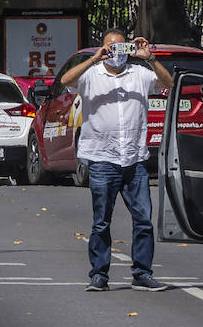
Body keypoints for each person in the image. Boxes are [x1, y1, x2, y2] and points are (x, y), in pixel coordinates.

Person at [58, 30, 174, 292]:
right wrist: (94, 59)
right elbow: (66, 79)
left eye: (121, 47)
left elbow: (169, 83)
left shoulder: (139, 74)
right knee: (101, 221)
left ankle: (142, 274)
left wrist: (150, 58)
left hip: (134, 160)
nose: (116, 53)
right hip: (102, 159)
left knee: (143, 219)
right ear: (103, 49)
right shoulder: (91, 75)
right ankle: (99, 275)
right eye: (111, 48)